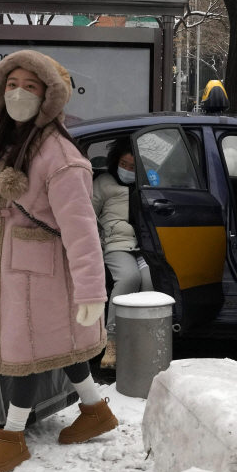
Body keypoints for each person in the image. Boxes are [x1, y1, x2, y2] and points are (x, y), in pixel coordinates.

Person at [0, 49, 115, 472]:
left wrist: (92, 290)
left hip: (44, 270)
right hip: (24, 264)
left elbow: (83, 228)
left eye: (30, 87)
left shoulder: (60, 156)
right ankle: (94, 410)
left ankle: (12, 437)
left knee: (27, 352)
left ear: (49, 96)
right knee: (58, 343)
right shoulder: (18, 142)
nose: (18, 94)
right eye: (11, 85)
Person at [91, 136, 152, 368]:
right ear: (116, 161)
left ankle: (140, 341)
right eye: (123, 165)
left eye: (133, 167)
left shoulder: (146, 184)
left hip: (145, 246)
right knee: (129, 278)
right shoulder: (105, 182)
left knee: (149, 281)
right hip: (116, 244)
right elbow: (88, 214)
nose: (127, 170)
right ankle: (113, 342)